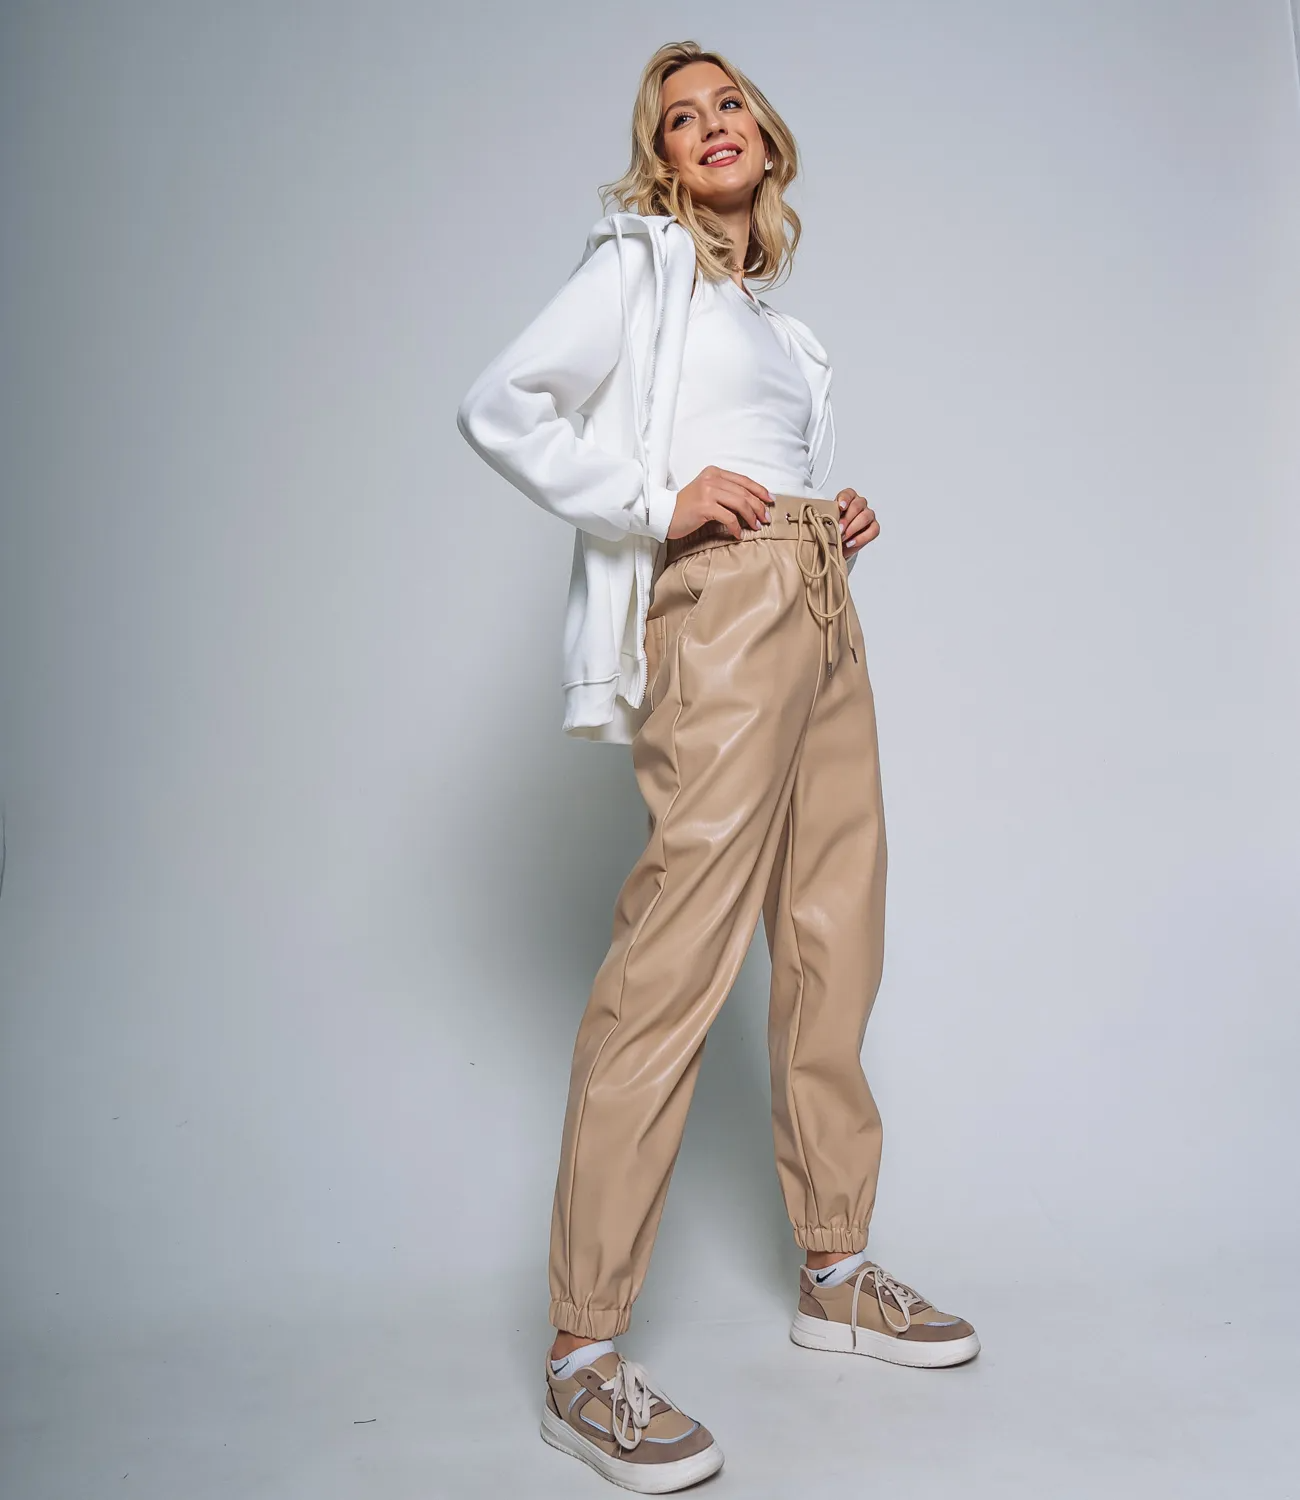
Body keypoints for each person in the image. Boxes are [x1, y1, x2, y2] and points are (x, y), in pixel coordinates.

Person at [456, 39, 979, 1494]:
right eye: (679, 119)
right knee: (675, 958)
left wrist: (826, 513)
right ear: (663, 162)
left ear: (767, 134)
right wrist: (653, 499)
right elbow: (501, 406)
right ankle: (582, 1354)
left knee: (833, 940)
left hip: (820, 599)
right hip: (725, 612)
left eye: (727, 102)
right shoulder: (638, 268)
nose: (710, 125)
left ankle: (836, 1269)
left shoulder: (781, 330)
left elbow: (754, 447)